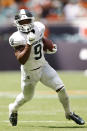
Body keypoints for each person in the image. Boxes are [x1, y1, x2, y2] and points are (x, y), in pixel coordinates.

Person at [9, 9, 85, 126]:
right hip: (29, 72)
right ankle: (13, 109)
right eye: (23, 22)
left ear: (32, 20)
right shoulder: (16, 38)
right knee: (27, 97)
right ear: (17, 23)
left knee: (61, 88)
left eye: (27, 21)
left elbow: (41, 38)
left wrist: (49, 46)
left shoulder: (39, 27)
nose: (26, 24)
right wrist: (29, 44)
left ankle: (69, 113)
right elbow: (21, 60)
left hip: (43, 66)